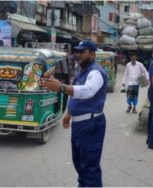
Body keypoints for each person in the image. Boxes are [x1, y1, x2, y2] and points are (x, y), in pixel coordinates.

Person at [40, 40, 107, 187]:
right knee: (80, 163)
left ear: (92, 54)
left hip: (91, 124)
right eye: (77, 51)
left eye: (82, 52)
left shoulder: (96, 72)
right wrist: (69, 113)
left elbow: (88, 91)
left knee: (89, 166)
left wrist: (61, 87)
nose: (78, 55)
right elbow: (76, 92)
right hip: (80, 124)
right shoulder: (80, 71)